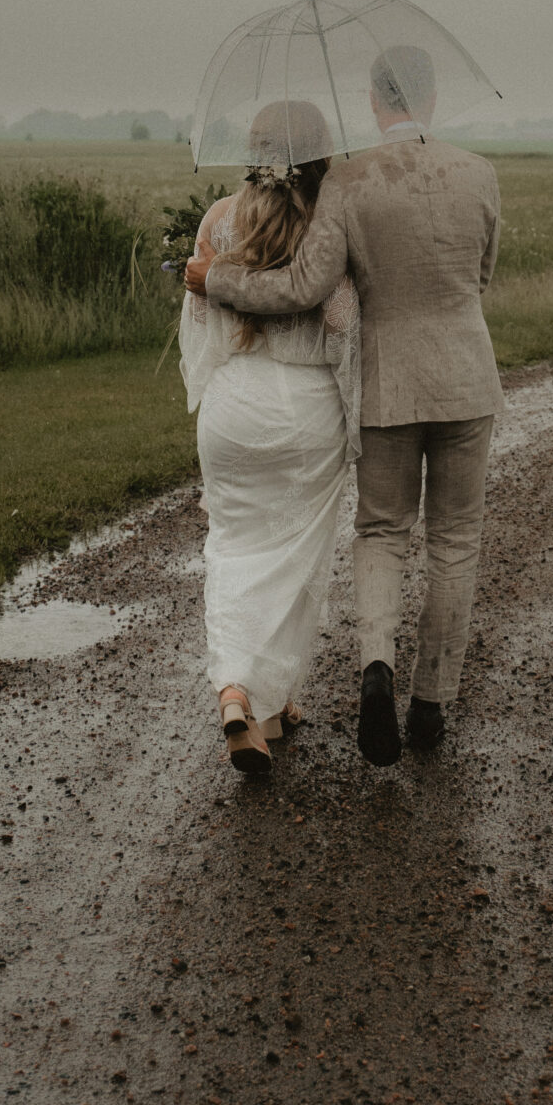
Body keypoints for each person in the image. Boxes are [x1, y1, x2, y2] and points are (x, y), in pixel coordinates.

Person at [188, 43, 502, 767]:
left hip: (387, 388)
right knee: (455, 540)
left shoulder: (350, 183)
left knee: (382, 532)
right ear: (429, 95)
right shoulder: (480, 173)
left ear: (371, 99)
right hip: (465, 377)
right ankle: (430, 704)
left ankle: (374, 669)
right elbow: (480, 275)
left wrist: (218, 282)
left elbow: (304, 287)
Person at [179, 98, 361, 778]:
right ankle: (257, 692)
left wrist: (208, 391)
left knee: (232, 547)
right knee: (294, 560)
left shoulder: (217, 221)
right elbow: (341, 323)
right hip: (305, 406)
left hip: (233, 404)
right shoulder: (327, 228)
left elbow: (199, 323)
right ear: (320, 155)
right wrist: (352, 415)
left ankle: (250, 697)